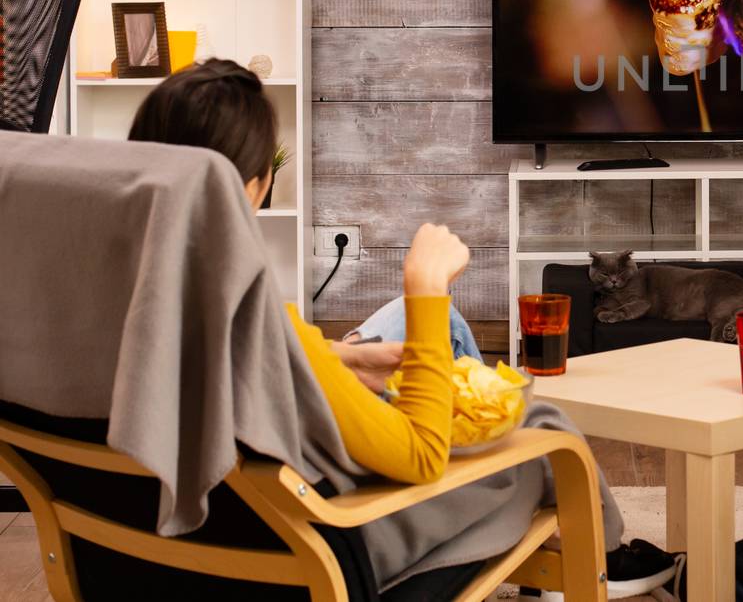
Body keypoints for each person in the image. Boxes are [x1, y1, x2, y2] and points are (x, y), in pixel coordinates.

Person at [127, 60, 681, 595]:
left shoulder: (133, 300)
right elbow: (421, 458)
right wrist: (426, 289)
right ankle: (602, 559)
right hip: (342, 537)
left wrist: (340, 358)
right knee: (542, 425)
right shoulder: (244, 325)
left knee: (423, 334)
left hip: (199, 535)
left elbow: (271, 353)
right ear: (251, 186)